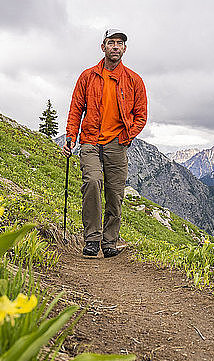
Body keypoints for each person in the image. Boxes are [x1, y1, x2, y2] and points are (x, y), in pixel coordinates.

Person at [62, 28, 148, 258]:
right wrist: (71, 136)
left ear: (125, 49)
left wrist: (126, 136)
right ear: (103, 47)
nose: (116, 47)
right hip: (90, 139)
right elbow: (76, 109)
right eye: (112, 42)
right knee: (92, 182)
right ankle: (92, 239)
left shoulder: (134, 80)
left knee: (115, 193)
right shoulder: (87, 76)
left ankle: (110, 242)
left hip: (117, 143)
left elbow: (141, 115)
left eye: (120, 43)